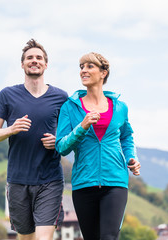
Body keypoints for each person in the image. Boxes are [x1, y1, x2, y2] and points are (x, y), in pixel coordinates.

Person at [55, 52, 141, 240]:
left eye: (89, 66)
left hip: (115, 181)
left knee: (109, 237)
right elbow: (61, 147)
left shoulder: (119, 107)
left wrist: (131, 158)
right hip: (84, 183)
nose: (83, 70)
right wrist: (82, 126)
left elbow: (126, 137)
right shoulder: (70, 107)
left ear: (103, 72)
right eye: (81, 67)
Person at [0, 39, 68, 240]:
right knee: (25, 237)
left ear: (46, 64)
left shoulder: (61, 97)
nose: (35, 60)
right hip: (18, 180)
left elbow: (71, 135)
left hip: (50, 179)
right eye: (30, 57)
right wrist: (11, 129)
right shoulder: (7, 95)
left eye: (39, 58)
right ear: (22, 64)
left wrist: (58, 140)